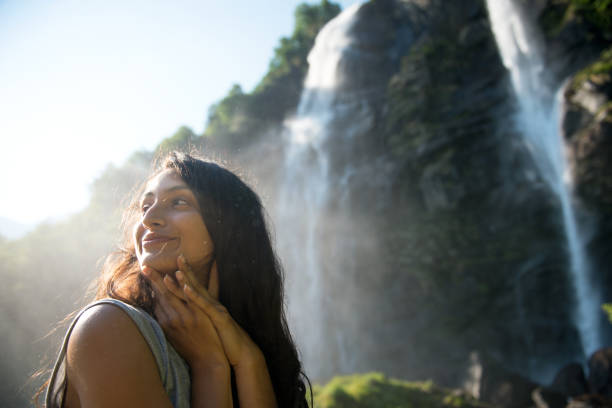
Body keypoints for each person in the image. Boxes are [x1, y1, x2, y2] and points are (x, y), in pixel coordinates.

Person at [42, 152, 309, 407]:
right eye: (145, 206)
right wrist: (209, 365)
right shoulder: (109, 326)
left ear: (228, 227)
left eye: (178, 202)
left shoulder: (242, 344)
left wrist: (250, 361)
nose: (148, 218)